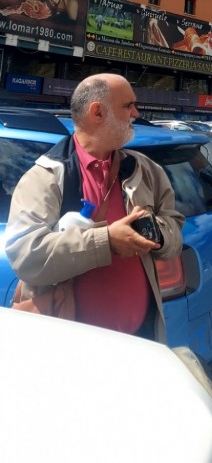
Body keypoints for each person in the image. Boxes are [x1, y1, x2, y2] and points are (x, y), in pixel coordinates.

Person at [5, 73, 184, 341]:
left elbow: (174, 225)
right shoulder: (46, 177)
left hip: (142, 340)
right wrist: (107, 241)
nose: (136, 113)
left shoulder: (145, 170)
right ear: (97, 112)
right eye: (128, 105)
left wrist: (156, 236)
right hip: (71, 351)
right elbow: (26, 257)